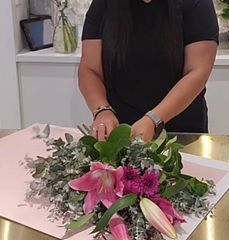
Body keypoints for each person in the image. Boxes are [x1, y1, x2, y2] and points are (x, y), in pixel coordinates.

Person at [79, 0, 219, 141]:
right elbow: (90, 70)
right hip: (119, 130)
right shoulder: (104, 4)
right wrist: (102, 111)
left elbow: (197, 71)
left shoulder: (196, 3)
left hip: (181, 129)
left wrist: (153, 119)